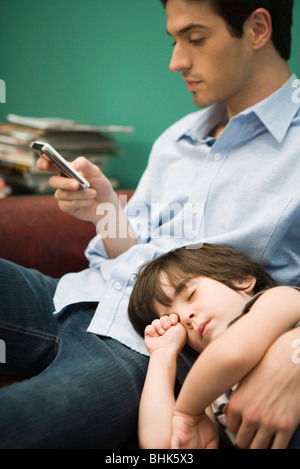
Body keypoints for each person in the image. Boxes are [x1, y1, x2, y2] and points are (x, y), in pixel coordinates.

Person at [0, 0, 299, 448]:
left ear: (257, 28)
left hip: (145, 345)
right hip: (73, 293)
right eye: (174, 40)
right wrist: (103, 208)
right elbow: (137, 250)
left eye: (195, 38)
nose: (176, 61)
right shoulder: (177, 140)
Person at [128, 244, 300, 449]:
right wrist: (162, 354)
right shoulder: (209, 395)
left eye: (190, 295)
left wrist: (186, 412)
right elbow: (163, 445)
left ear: (240, 278)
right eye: (174, 320)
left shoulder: (279, 298)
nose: (185, 317)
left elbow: (233, 353)